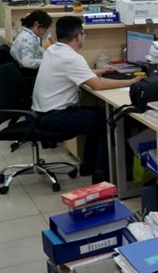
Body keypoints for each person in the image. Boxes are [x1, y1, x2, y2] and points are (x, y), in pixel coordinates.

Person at [32, 16, 143, 182]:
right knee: (110, 120)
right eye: (84, 34)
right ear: (78, 36)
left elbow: (73, 73)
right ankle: (102, 175)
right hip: (55, 116)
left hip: (42, 111)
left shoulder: (54, 50)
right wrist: (131, 81)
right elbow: (97, 85)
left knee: (98, 115)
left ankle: (88, 166)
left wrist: (97, 71)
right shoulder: (72, 58)